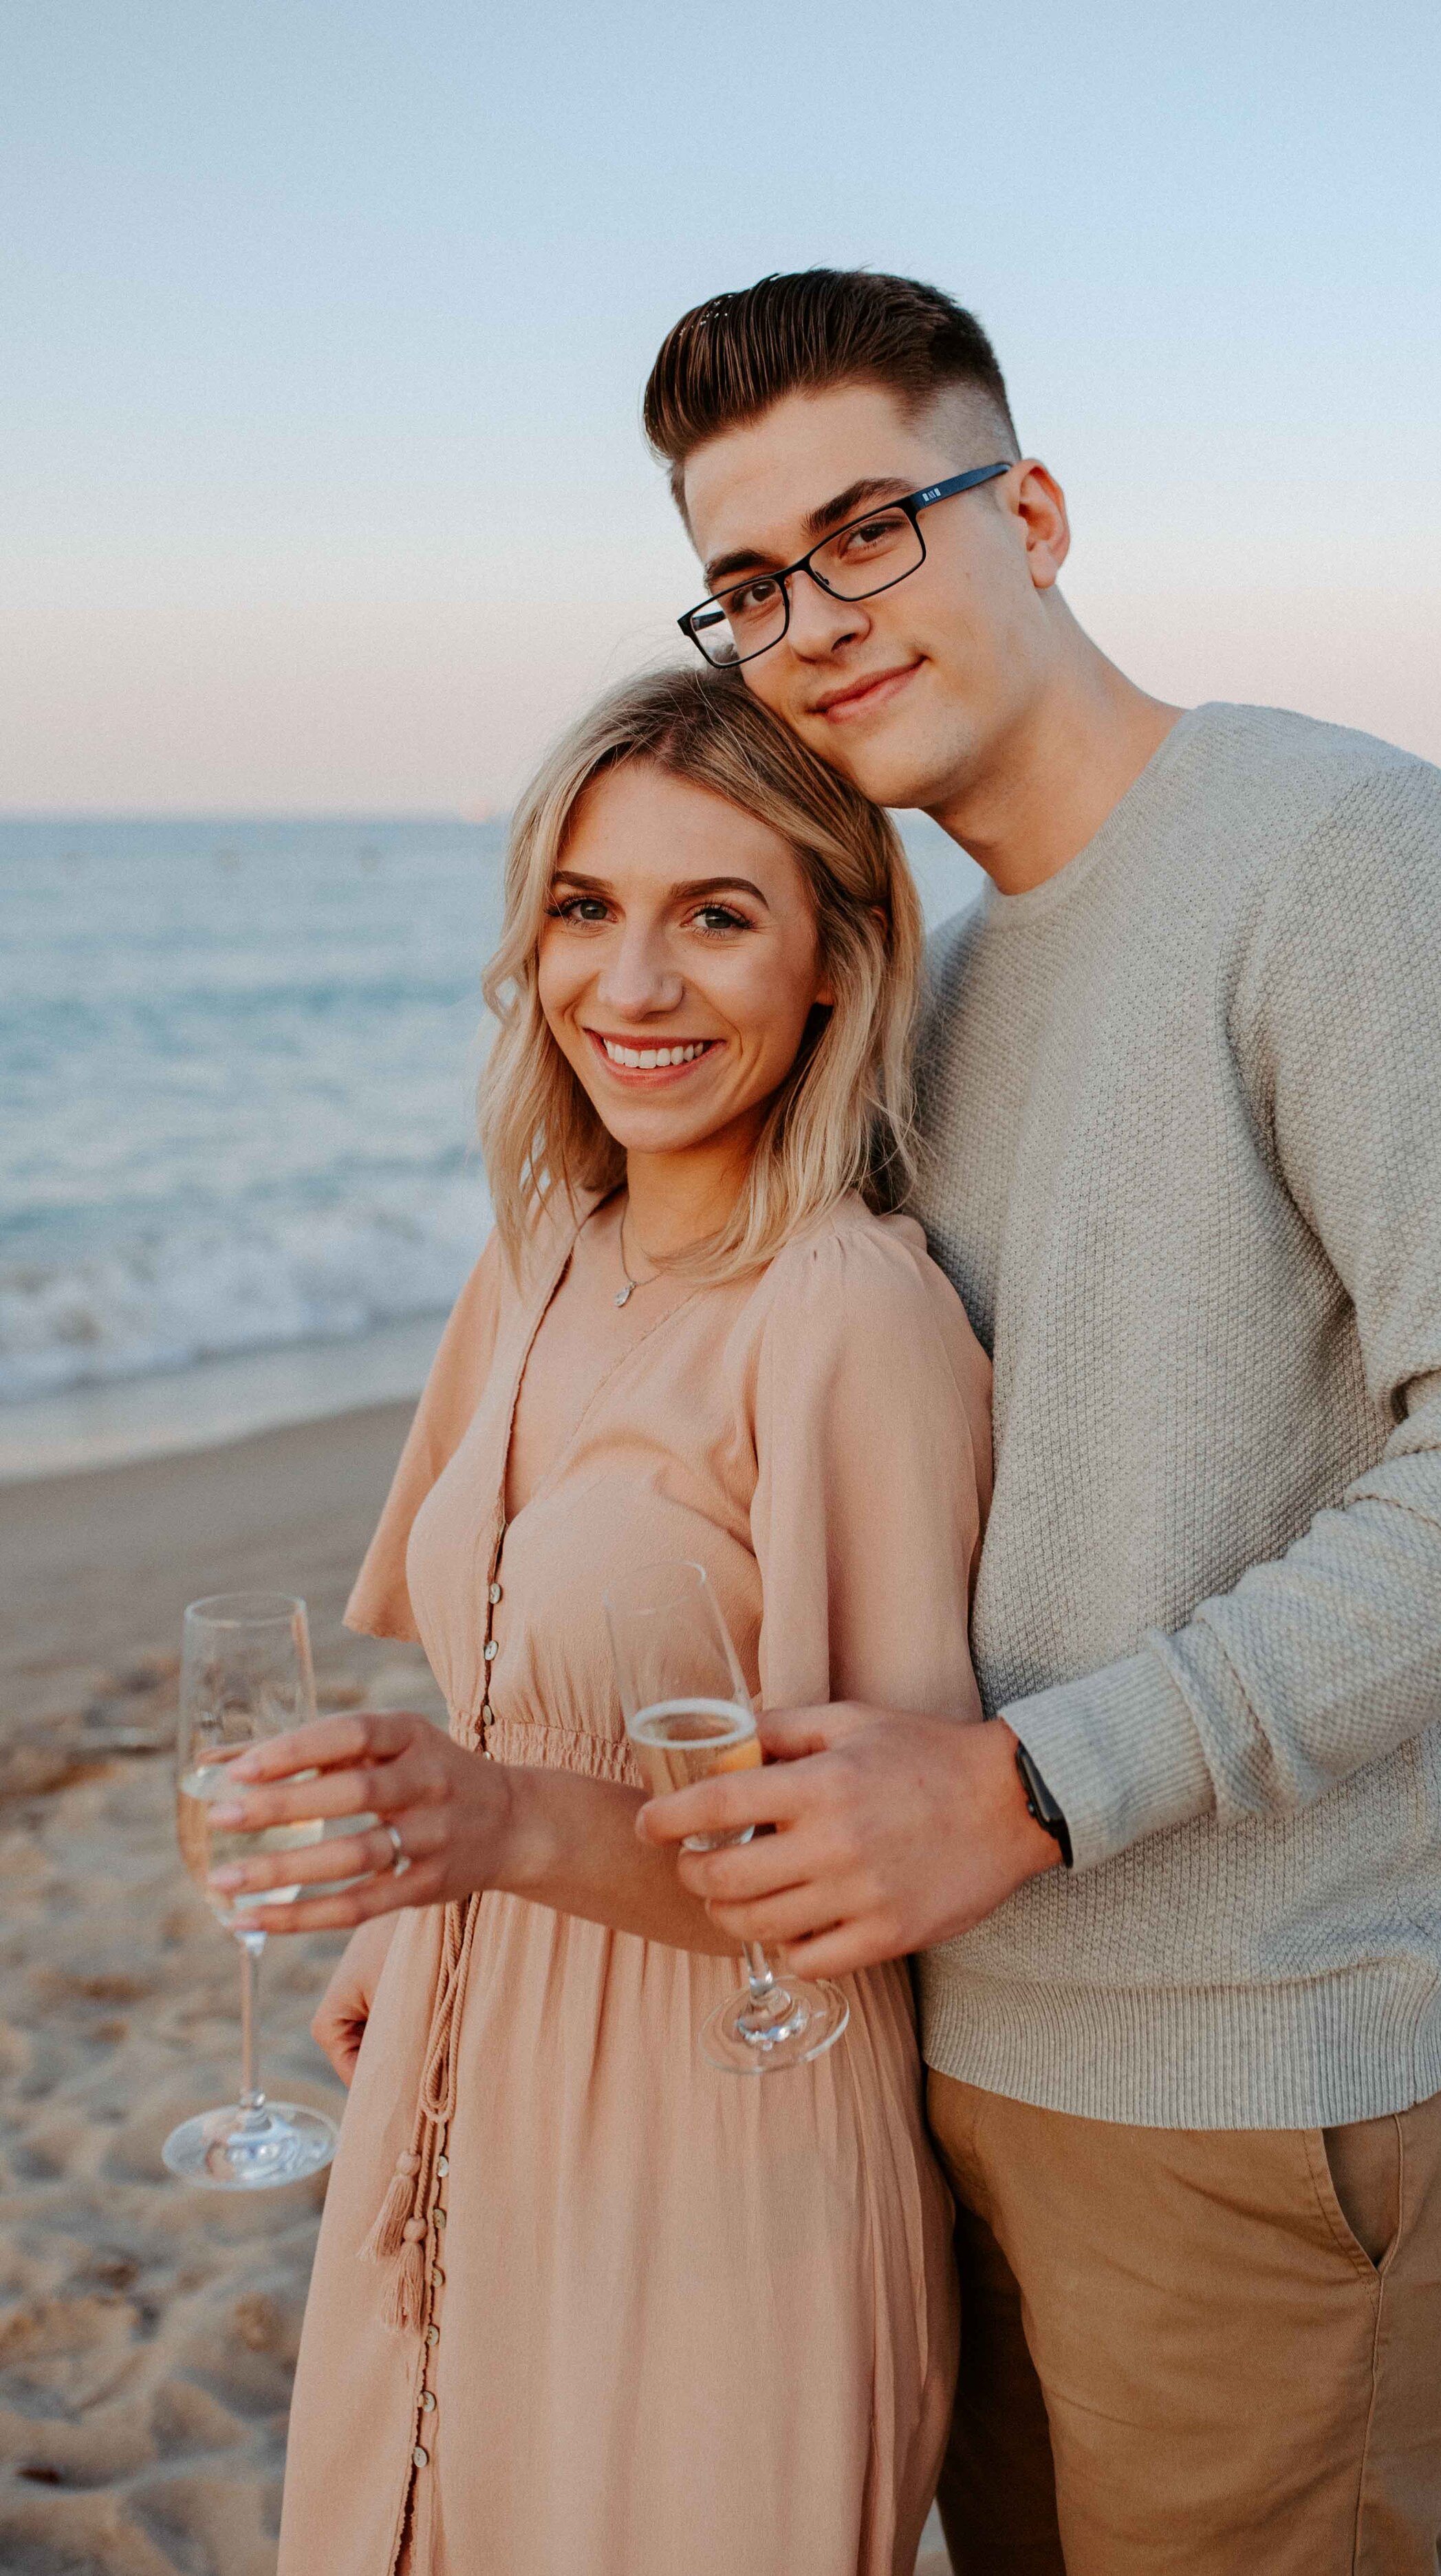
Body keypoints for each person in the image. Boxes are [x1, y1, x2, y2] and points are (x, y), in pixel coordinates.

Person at [631, 270, 1441, 2573]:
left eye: (871, 524)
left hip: (1259, 2074)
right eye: (748, 585)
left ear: (1040, 512)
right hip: (963, 2040)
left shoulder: (1346, 856)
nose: (814, 616)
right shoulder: (955, 973)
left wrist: (1027, 1787)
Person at [209, 665, 993, 2576]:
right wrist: (421, 1895)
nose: (630, 986)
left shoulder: (849, 1317)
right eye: (585, 907)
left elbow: (882, 1881)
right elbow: (493, 1677)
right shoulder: (539, 1252)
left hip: (722, 2158)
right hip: (452, 2096)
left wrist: (488, 1829)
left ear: (832, 960)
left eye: (714, 916)